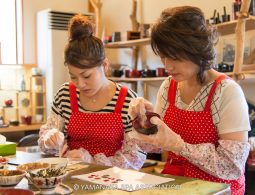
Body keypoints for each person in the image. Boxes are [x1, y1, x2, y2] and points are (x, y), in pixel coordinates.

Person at [128, 6, 250, 195]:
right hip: (177, 184)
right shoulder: (169, 86)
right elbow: (153, 143)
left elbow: (231, 167)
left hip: (217, 189)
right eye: (163, 57)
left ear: (197, 50)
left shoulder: (226, 92)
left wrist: (179, 145)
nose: (167, 66)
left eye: (174, 57)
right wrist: (143, 121)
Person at [38, 14, 146, 170]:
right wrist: (50, 138)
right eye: (73, 76)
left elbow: (136, 156)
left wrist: (93, 162)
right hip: (70, 177)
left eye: (86, 75)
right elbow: (48, 139)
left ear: (105, 65)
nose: (80, 84)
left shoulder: (127, 100)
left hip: (113, 183)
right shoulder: (65, 95)